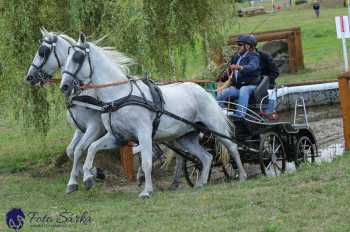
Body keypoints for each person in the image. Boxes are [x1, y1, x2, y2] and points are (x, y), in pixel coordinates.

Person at [216, 34, 261, 118]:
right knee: (223, 93)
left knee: (244, 90)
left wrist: (240, 67)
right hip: (238, 87)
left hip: (251, 86)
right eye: (237, 44)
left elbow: (252, 67)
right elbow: (230, 70)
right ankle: (219, 113)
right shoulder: (236, 57)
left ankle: (240, 115)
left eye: (240, 45)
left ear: (247, 46)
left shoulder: (254, 56)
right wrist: (221, 78)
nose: (238, 46)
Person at [250, 35, 280, 114]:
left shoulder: (265, 56)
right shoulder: (242, 58)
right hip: (251, 88)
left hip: (267, 87)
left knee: (269, 112)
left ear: (251, 46)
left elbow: (275, 72)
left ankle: (269, 113)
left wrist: (264, 81)